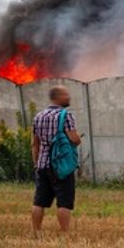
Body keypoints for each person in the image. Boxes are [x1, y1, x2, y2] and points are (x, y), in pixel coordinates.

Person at [31, 85, 83, 233]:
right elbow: (74, 138)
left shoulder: (38, 116)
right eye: (65, 95)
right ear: (57, 97)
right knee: (64, 202)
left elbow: (34, 144)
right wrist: (78, 140)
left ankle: (36, 231)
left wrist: (37, 163)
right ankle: (64, 233)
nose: (68, 97)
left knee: (39, 201)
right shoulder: (65, 115)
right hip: (61, 166)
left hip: (42, 165)